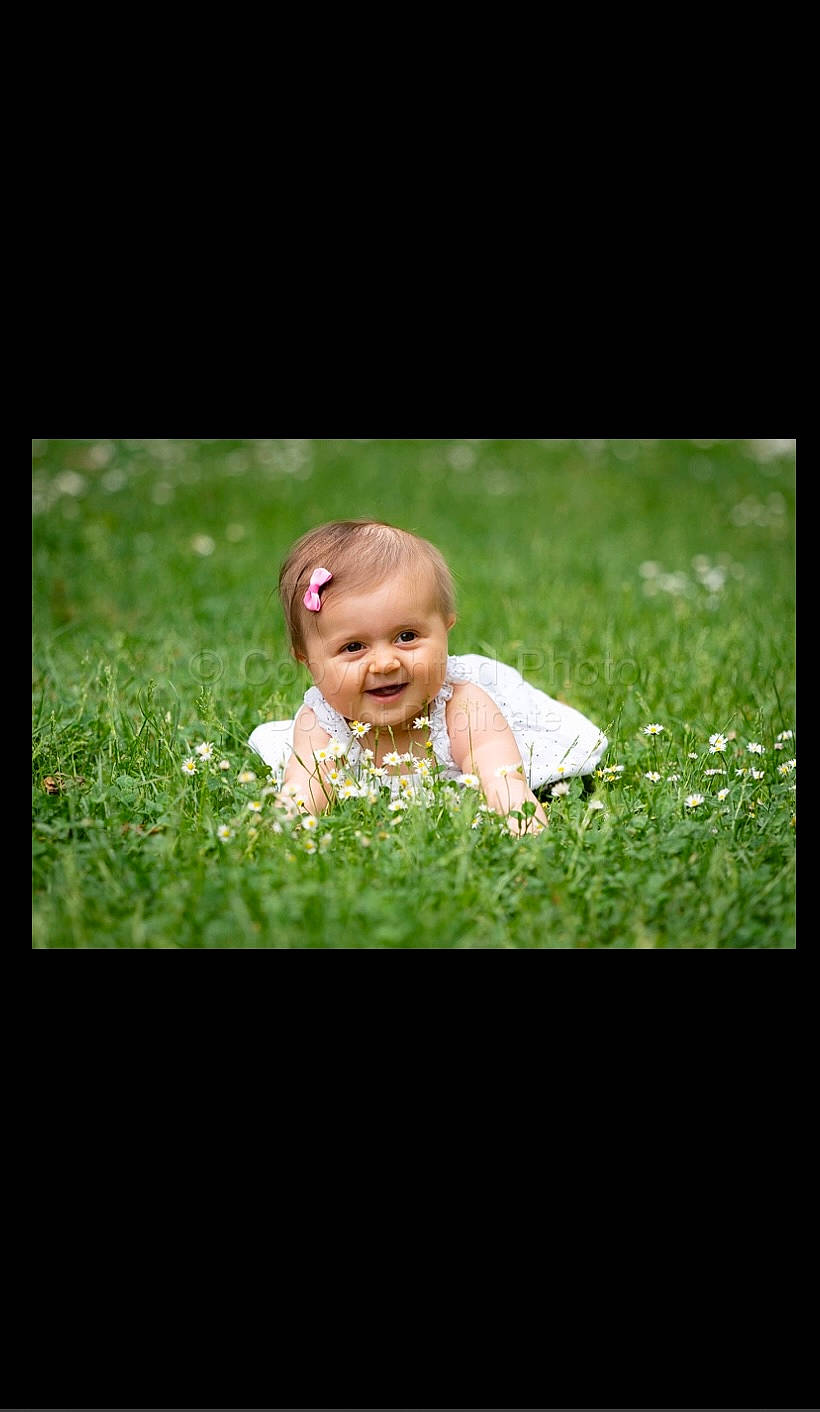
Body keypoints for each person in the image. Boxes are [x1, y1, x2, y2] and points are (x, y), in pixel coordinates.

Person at [248, 519, 608, 833]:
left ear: (446, 629)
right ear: (308, 661)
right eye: (353, 647)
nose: (384, 663)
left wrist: (523, 827)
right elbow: (305, 793)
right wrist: (282, 832)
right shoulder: (321, 724)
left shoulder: (463, 706)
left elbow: (503, 780)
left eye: (406, 637)